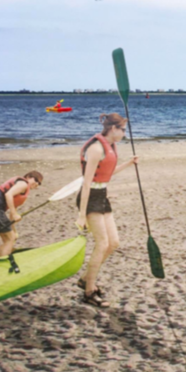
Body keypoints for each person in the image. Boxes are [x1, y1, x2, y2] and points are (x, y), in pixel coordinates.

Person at [76, 113, 140, 308]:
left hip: (102, 195)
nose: (123, 134)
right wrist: (81, 215)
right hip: (90, 198)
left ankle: (85, 278)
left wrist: (129, 163)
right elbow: (86, 183)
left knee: (114, 243)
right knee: (102, 244)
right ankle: (89, 291)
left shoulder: (111, 146)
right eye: (122, 130)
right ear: (113, 129)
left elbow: (107, 173)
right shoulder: (95, 148)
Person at [0, 171, 43, 267]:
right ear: (28, 177)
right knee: (10, 239)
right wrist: (14, 213)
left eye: (39, 183)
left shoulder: (21, 188)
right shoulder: (23, 184)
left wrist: (14, 230)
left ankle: (0, 259)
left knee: (8, 238)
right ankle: (2, 265)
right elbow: (8, 194)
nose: (37, 184)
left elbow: (12, 217)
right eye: (36, 180)